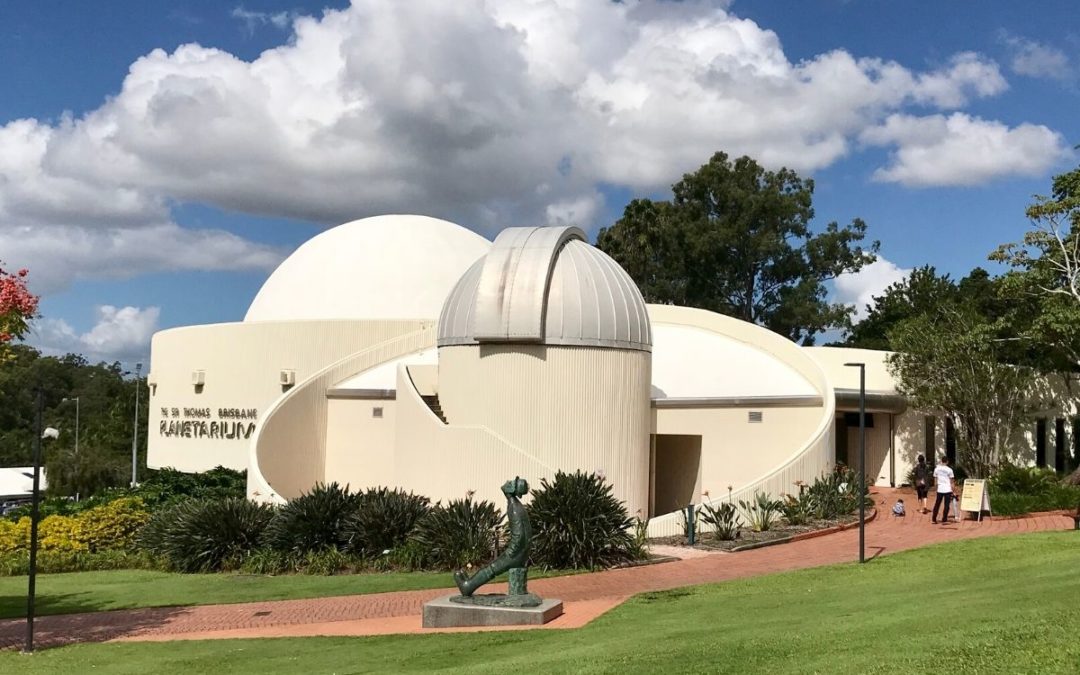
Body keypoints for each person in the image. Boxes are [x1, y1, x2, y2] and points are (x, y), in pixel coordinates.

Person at [931, 456, 955, 525]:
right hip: (947, 489)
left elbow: (935, 480)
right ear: (947, 461)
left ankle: (934, 518)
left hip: (940, 489)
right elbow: (952, 482)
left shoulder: (937, 469)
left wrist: (936, 488)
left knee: (937, 504)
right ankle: (944, 519)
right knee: (946, 505)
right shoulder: (949, 470)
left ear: (941, 461)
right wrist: (953, 490)